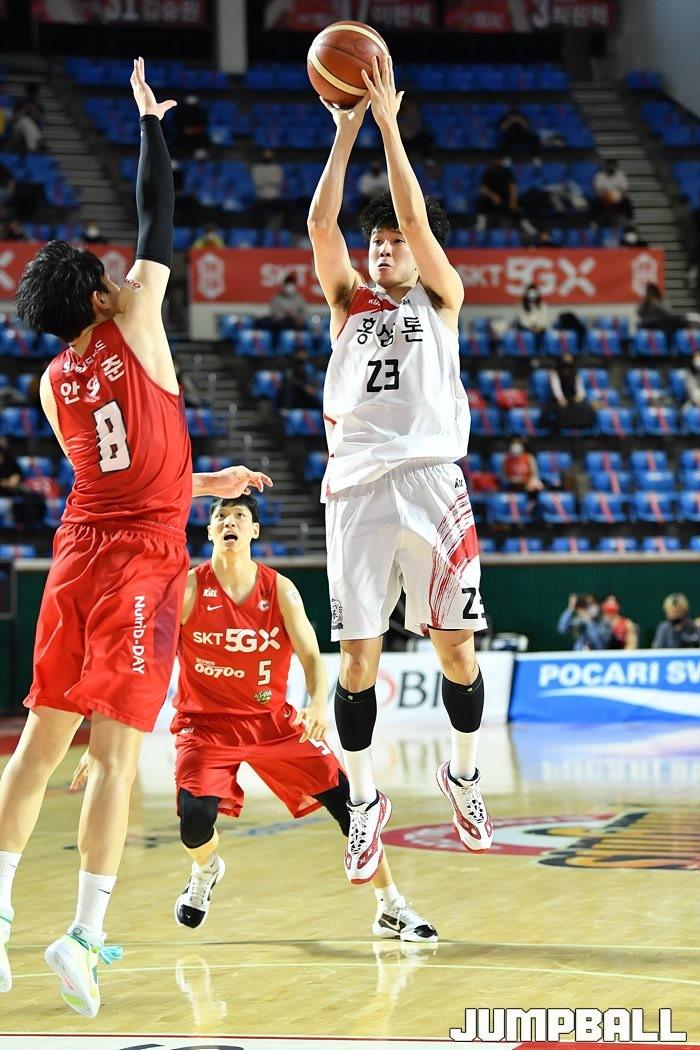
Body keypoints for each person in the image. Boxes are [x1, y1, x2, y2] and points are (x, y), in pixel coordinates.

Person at [0, 59, 271, 1019]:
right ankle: (81, 935)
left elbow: (113, 474)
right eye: (109, 279)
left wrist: (204, 482)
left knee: (40, 741)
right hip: (142, 564)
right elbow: (159, 217)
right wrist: (152, 125)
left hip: (77, 549)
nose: (122, 277)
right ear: (101, 300)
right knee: (115, 758)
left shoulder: (51, 382)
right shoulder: (140, 316)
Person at [74, 495, 437, 942]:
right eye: (221, 517)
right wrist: (106, 738)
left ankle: (391, 906)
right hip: (205, 727)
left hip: (273, 723)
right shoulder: (187, 589)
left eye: (239, 516)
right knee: (194, 821)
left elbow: (310, 655)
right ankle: (206, 870)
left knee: (353, 809)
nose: (230, 522)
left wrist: (317, 704)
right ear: (210, 531)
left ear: (254, 531)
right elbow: (147, 662)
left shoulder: (280, 589)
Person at [307, 54, 493, 886]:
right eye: (375, 242)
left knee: (456, 651)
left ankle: (463, 774)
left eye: (393, 242)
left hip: (432, 483)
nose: (383, 249)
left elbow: (415, 216)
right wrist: (346, 131)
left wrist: (387, 121)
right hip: (354, 490)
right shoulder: (347, 302)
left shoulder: (440, 298)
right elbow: (321, 224)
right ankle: (364, 803)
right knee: (357, 662)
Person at [543, 353, 595, 433]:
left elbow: (581, 391)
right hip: (559, 400)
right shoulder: (555, 374)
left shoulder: (576, 374)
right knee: (558, 411)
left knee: (586, 409)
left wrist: (578, 397)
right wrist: (561, 399)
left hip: (573, 400)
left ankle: (579, 426)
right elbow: (556, 390)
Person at [250, 148, 285, 229]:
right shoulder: (257, 168)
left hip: (274, 197)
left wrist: (265, 180)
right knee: (254, 210)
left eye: (269, 154)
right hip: (260, 197)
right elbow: (257, 182)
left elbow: (278, 181)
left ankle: (281, 230)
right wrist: (270, 181)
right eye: (266, 154)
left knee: (287, 208)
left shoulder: (277, 168)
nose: (267, 156)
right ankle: (257, 231)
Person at [592, 158, 633, 224]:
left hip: (618, 198)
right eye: (609, 166)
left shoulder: (621, 175)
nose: (611, 167)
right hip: (604, 198)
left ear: (615, 166)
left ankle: (630, 221)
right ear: (606, 166)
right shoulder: (600, 175)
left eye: (613, 166)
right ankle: (594, 222)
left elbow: (624, 190)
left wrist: (618, 197)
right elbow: (597, 190)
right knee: (595, 202)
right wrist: (606, 196)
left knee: (627, 202)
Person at [517, 283, 549, 348]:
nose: (532, 297)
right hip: (526, 328)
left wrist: (539, 327)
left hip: (539, 329)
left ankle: (538, 351)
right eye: (530, 294)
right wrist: (531, 327)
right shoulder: (520, 305)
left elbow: (544, 319)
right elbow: (523, 320)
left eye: (534, 295)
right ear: (526, 294)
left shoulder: (542, 305)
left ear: (537, 294)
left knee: (541, 334)